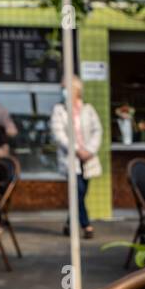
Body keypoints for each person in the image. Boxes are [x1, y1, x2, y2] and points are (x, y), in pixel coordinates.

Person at [50, 79, 103, 239]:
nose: (63, 91)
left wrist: (89, 150)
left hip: (87, 159)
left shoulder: (88, 109)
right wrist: (76, 149)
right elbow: (58, 134)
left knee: (80, 193)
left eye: (66, 88)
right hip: (71, 158)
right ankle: (86, 225)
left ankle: (69, 223)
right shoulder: (59, 110)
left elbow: (97, 130)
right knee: (77, 191)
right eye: (62, 88)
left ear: (76, 90)